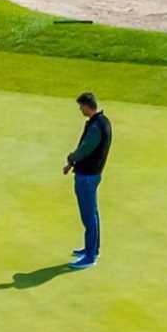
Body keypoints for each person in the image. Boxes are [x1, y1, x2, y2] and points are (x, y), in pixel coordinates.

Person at [64, 92, 112, 266]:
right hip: (92, 174)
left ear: (86, 105)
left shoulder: (95, 126)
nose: (80, 110)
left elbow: (85, 149)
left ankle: (90, 257)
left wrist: (71, 158)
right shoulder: (103, 121)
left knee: (88, 216)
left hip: (87, 177)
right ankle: (92, 249)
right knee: (93, 213)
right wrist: (71, 164)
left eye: (80, 107)